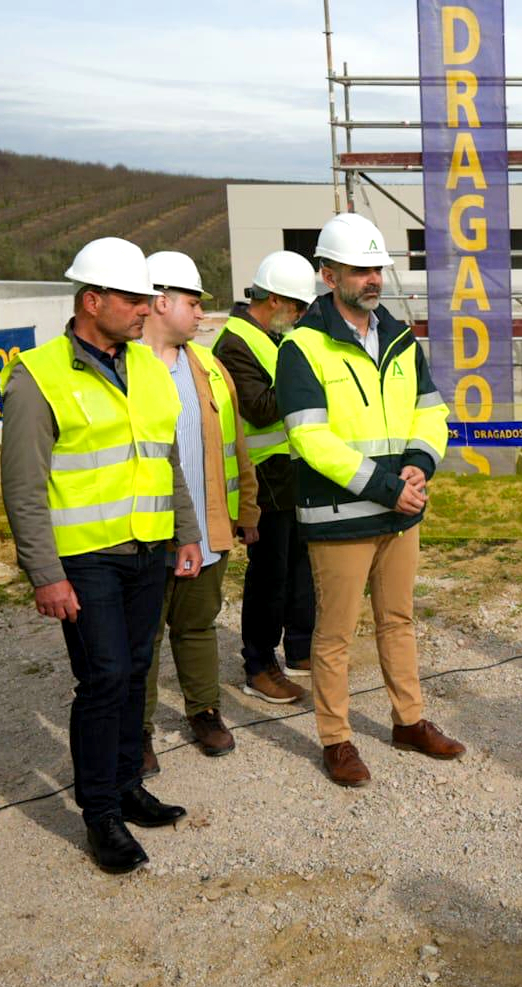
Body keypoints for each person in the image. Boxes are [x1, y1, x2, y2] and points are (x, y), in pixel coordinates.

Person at [0, 237, 201, 874]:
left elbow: (166, 459)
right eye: (134, 298)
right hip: (85, 558)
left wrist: (187, 532)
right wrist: (45, 574)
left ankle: (124, 788)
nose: (146, 309)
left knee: (137, 669)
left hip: (150, 547)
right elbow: (23, 487)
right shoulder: (39, 376)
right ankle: (100, 816)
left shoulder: (145, 366)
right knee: (105, 677)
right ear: (93, 301)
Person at [276, 213, 463, 787]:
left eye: (377, 268)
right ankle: (336, 739)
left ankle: (408, 721)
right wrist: (388, 486)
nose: (373, 279)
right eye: (360, 269)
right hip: (342, 515)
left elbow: (430, 411)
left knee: (398, 620)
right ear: (329, 274)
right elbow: (310, 438)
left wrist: (421, 462)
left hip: (399, 511)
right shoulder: (302, 348)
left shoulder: (402, 340)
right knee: (334, 635)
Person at [137, 251, 261, 772]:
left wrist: (247, 508)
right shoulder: (124, 367)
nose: (201, 314)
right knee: (141, 636)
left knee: (197, 625)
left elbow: (237, 445)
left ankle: (205, 711)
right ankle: (136, 729)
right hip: (143, 529)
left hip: (208, 529)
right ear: (161, 302)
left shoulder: (208, 367)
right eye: (193, 303)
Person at [213, 251, 317, 705]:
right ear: (274, 300)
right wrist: (310, 382)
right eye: (296, 308)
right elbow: (257, 407)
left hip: (288, 474)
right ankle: (258, 663)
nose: (298, 318)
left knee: (299, 568)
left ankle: (299, 646)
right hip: (263, 480)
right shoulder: (234, 344)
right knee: (269, 577)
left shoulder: (269, 337)